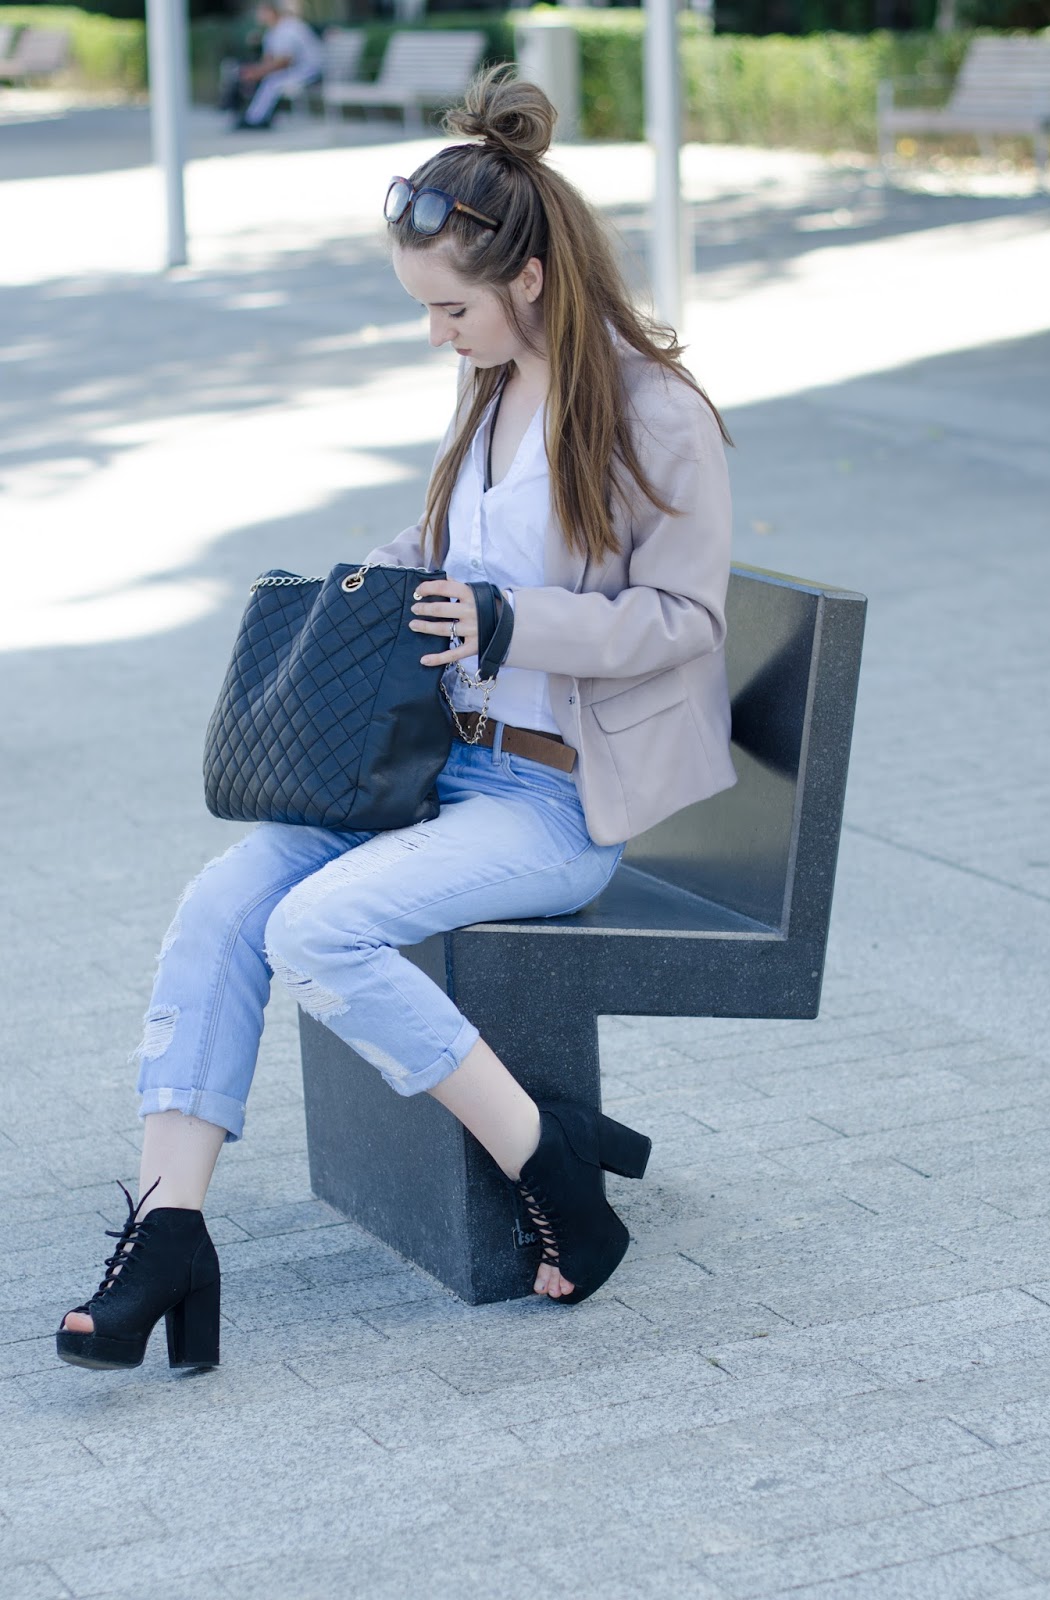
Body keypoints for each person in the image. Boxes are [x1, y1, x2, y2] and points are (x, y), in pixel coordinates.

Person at [56, 68, 737, 1374]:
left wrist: (509, 623)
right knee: (221, 905)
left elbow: (687, 622)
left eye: (450, 309)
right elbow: (448, 549)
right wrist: (368, 585)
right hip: (429, 778)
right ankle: (167, 1232)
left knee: (317, 928)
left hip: (552, 800)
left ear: (529, 278)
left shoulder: (656, 413)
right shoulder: (491, 386)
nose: (436, 335)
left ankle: (551, 1168)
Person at [220, 2, 324, 131]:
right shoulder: (272, 31)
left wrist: (257, 73)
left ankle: (256, 119)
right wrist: (254, 71)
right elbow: (268, 59)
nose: (258, 16)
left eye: (262, 12)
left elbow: (284, 62)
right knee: (253, 75)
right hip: (293, 71)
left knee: (272, 81)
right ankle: (250, 115)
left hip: (310, 72)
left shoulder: (289, 28)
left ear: (272, 12)